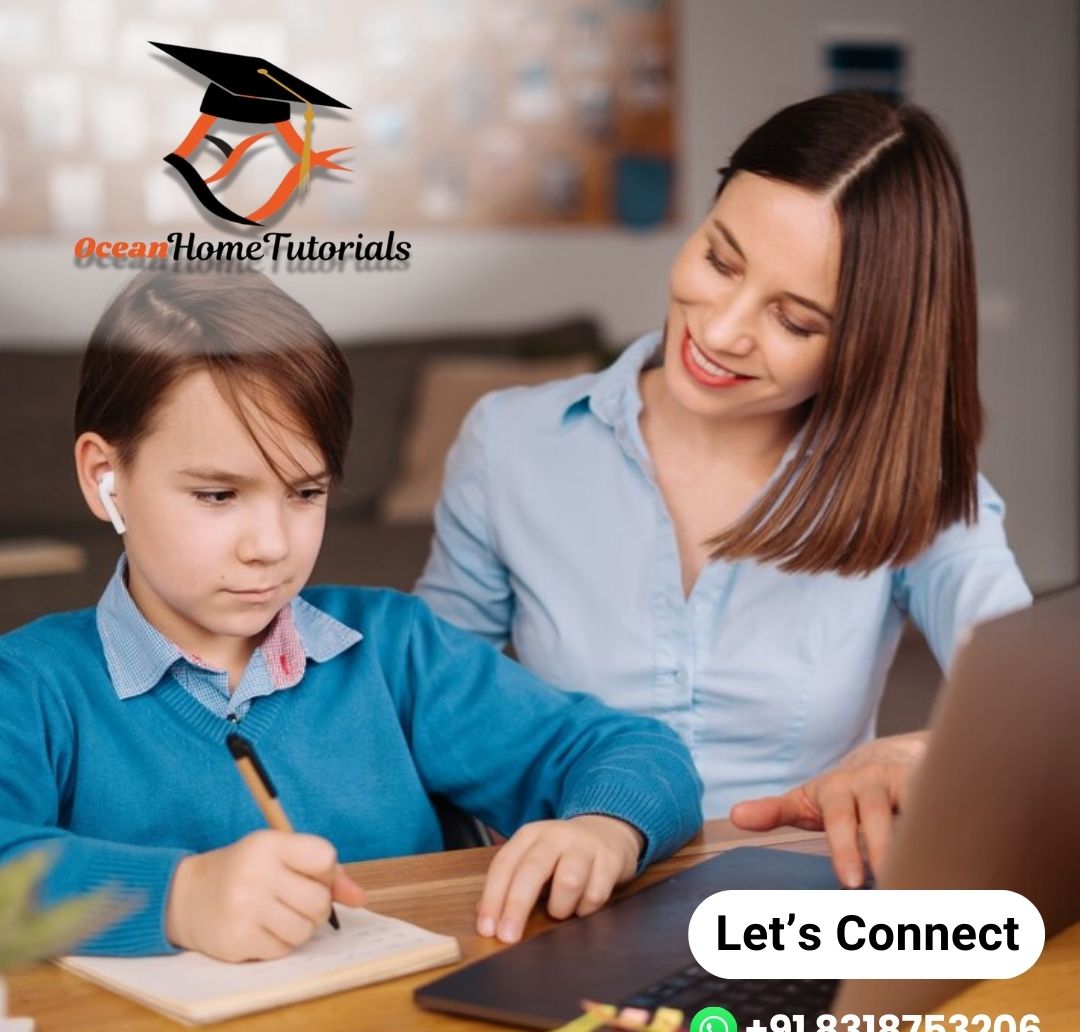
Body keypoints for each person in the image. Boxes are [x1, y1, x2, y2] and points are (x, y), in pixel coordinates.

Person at [417, 92, 1033, 888]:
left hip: (798, 909)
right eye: (720, 260)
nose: (720, 330)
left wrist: (927, 752)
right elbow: (426, 705)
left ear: (871, 343)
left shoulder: (919, 487)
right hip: (561, 904)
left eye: (797, 321)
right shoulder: (510, 444)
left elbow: (1043, 706)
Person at [0, 269, 702, 959]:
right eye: (218, 495)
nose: (272, 546)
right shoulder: (29, 684)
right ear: (105, 478)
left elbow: (635, 752)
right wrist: (178, 898)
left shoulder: (398, 651)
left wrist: (606, 827)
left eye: (305, 493)